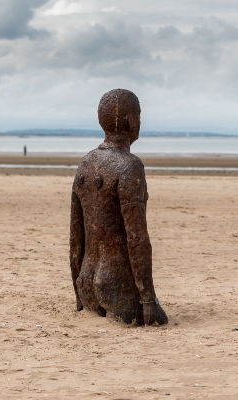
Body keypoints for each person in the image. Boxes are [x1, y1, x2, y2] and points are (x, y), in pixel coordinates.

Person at [69, 88, 168, 326]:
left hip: (86, 283)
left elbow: (76, 237)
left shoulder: (87, 162)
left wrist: (78, 293)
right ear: (132, 121)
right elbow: (137, 238)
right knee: (160, 321)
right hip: (116, 285)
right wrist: (148, 300)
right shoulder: (129, 166)